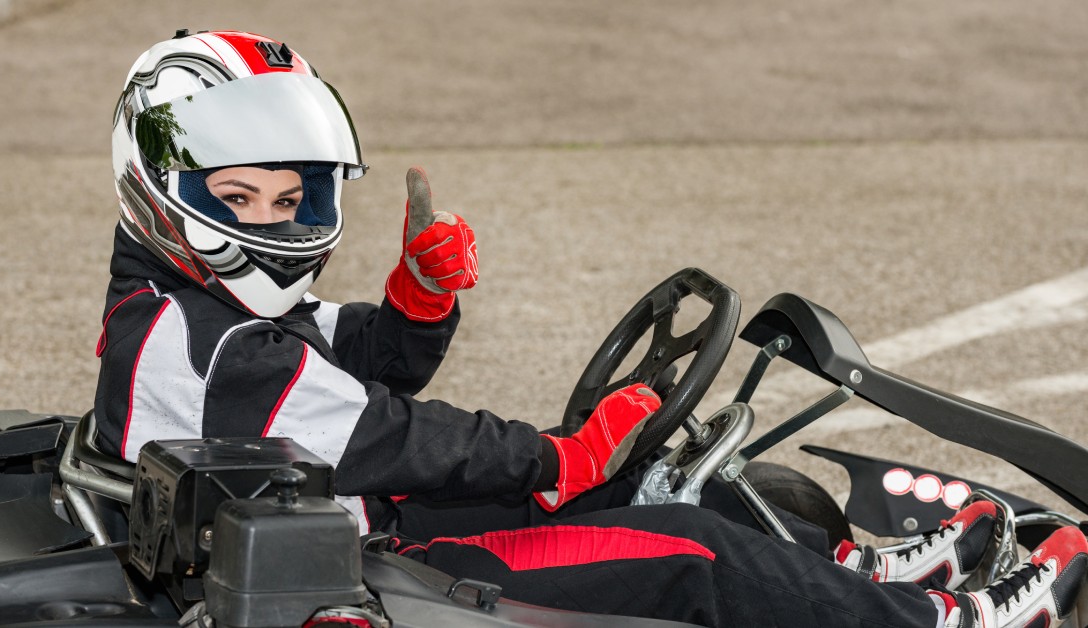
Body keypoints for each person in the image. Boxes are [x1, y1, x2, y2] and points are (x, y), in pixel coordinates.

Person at [96, 30, 1087, 628]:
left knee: (637, 478)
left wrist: (418, 300)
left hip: (361, 516)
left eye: (287, 197)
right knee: (693, 548)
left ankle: (860, 583)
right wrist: (555, 456)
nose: (272, 221)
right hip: (378, 566)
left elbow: (366, 369)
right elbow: (393, 433)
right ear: (160, 190)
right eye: (241, 196)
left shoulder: (195, 313)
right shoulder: (209, 346)